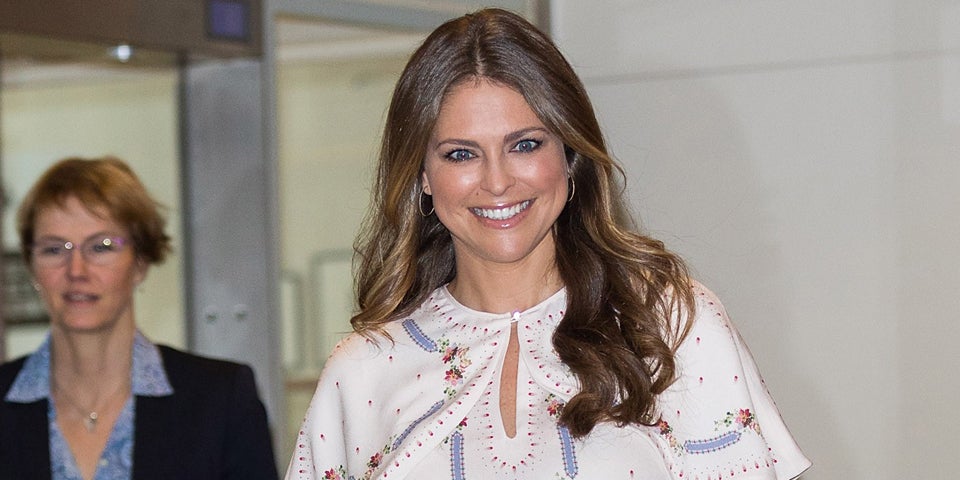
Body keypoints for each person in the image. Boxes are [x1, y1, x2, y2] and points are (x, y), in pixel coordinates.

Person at [287, 8, 810, 480]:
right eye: (461, 154)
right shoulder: (363, 370)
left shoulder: (669, 324)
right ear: (422, 175)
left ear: (569, 154)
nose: (497, 182)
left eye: (525, 145)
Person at [0, 157, 279, 480]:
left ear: (141, 262)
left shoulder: (220, 400)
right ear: (30, 265)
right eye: (54, 249)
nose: (76, 270)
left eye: (101, 247)